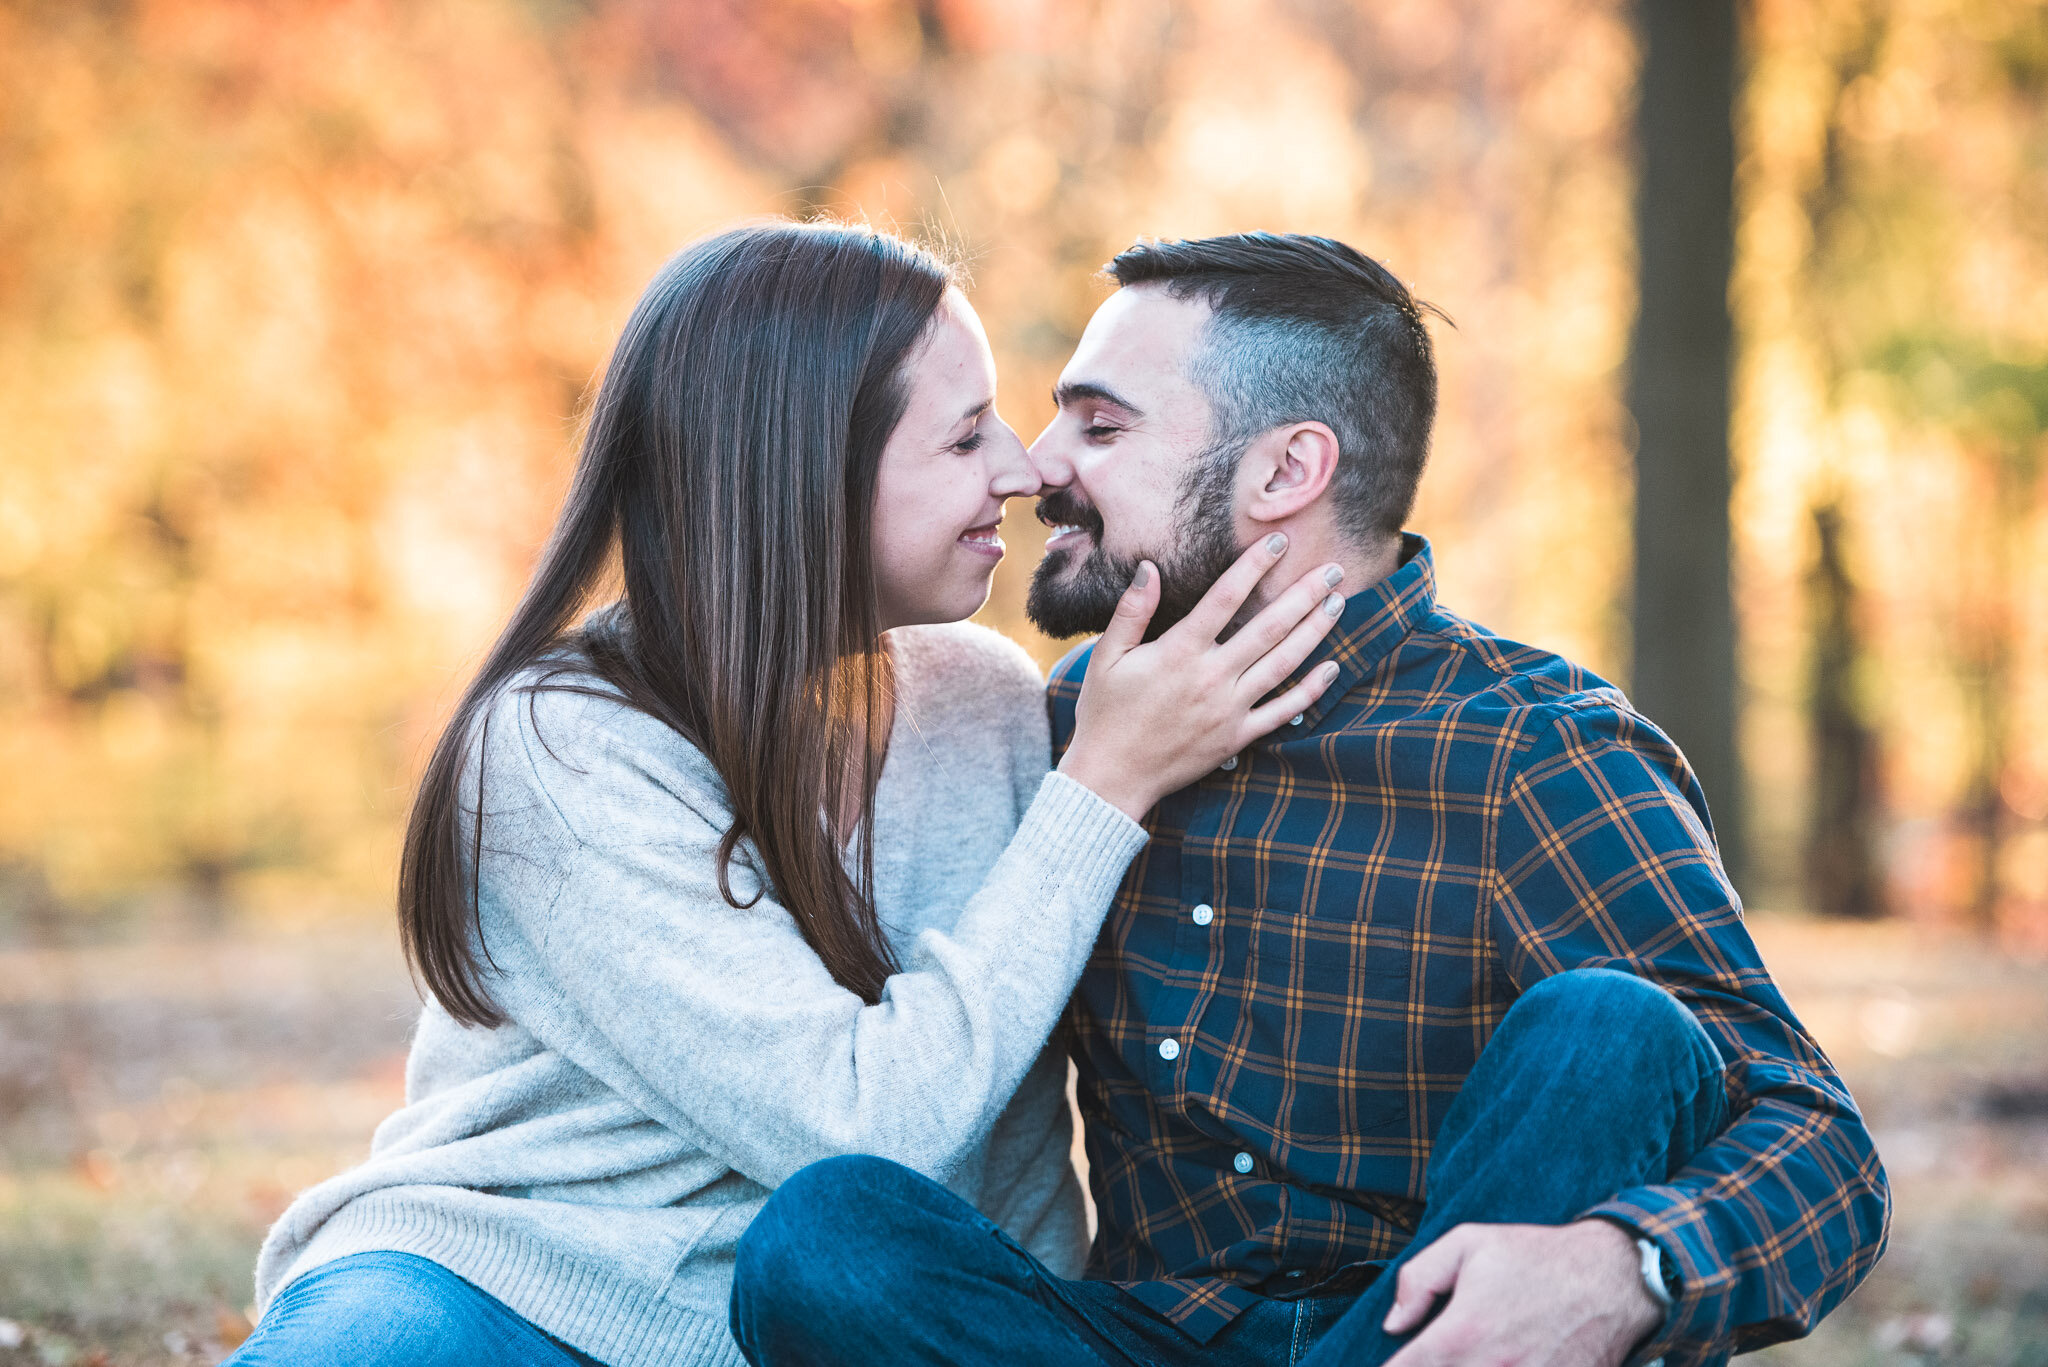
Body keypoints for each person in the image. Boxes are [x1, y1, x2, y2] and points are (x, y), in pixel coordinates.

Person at [730, 234, 1891, 1367]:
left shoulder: (1533, 752)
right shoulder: (1073, 730)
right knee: (824, 1240)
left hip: (1423, 1329)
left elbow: (1819, 1143)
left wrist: (1624, 1266)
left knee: (1613, 1029)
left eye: (1100, 425)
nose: (1038, 464)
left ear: (1285, 471)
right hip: (1138, 1337)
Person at [226, 221, 1350, 1367]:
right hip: (516, 1289)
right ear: (803, 474)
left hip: (827, 1314)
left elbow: (1003, 1145)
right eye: (965, 438)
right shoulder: (560, 748)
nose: (1020, 469)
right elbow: (854, 1126)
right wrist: (1103, 783)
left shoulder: (984, 701)